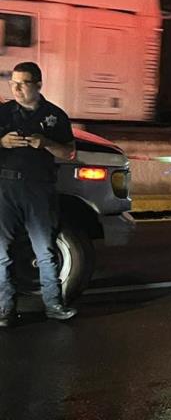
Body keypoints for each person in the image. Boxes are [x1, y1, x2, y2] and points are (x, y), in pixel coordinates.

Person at [0, 62, 77, 327]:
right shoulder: (4, 113)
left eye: (23, 83)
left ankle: (54, 305)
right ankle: (5, 310)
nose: (17, 88)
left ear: (38, 85)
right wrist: (2, 142)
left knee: (44, 249)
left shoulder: (54, 116)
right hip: (6, 188)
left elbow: (68, 152)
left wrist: (45, 143)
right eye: (13, 83)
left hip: (39, 189)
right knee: (1, 252)